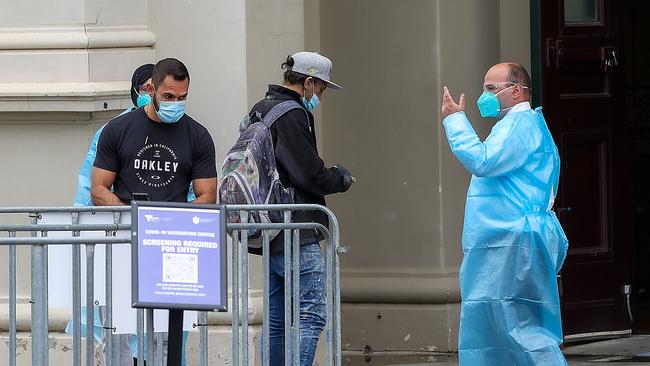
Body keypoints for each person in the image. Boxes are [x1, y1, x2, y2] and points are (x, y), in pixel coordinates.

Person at [440, 63, 569, 365]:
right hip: (510, 239)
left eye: (490, 89)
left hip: (513, 240)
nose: (484, 96)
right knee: (500, 327)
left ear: (515, 90)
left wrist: (456, 120)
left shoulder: (520, 125)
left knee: (522, 328)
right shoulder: (525, 125)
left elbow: (483, 160)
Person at [92, 58, 217, 364]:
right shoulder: (118, 129)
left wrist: (167, 221)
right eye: (169, 96)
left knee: (165, 344)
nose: (176, 103)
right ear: (151, 89)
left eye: (183, 97)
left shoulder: (197, 136)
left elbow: (207, 195)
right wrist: (139, 217)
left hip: (173, 248)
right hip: (123, 245)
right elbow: (98, 190)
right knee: (119, 338)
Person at [246, 51, 355, 366]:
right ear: (308, 82)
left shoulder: (261, 109)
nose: (319, 96)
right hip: (297, 227)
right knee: (312, 313)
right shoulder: (292, 113)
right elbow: (309, 173)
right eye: (320, 88)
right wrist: (340, 177)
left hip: (270, 228)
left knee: (277, 319)